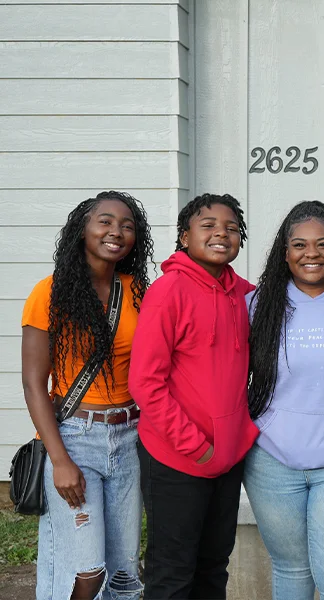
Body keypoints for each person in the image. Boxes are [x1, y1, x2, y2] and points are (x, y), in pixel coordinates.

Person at [21, 191, 153, 600]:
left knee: (124, 572)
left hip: (130, 437)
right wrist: (60, 461)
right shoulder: (49, 293)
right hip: (75, 439)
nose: (117, 232)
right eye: (106, 222)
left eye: (128, 226)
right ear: (83, 229)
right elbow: (32, 383)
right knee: (87, 571)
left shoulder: (138, 292)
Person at [243, 201, 324, 600]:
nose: (311, 253)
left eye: (323, 244)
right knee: (291, 571)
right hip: (271, 461)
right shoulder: (257, 305)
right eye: (299, 245)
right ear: (285, 253)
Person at [129, 193, 259, 600]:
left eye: (232, 228)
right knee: (172, 570)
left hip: (228, 456)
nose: (222, 233)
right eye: (208, 226)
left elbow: (299, 294)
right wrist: (197, 448)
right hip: (177, 457)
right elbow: (145, 383)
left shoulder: (245, 294)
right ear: (185, 237)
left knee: (213, 566)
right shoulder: (168, 291)